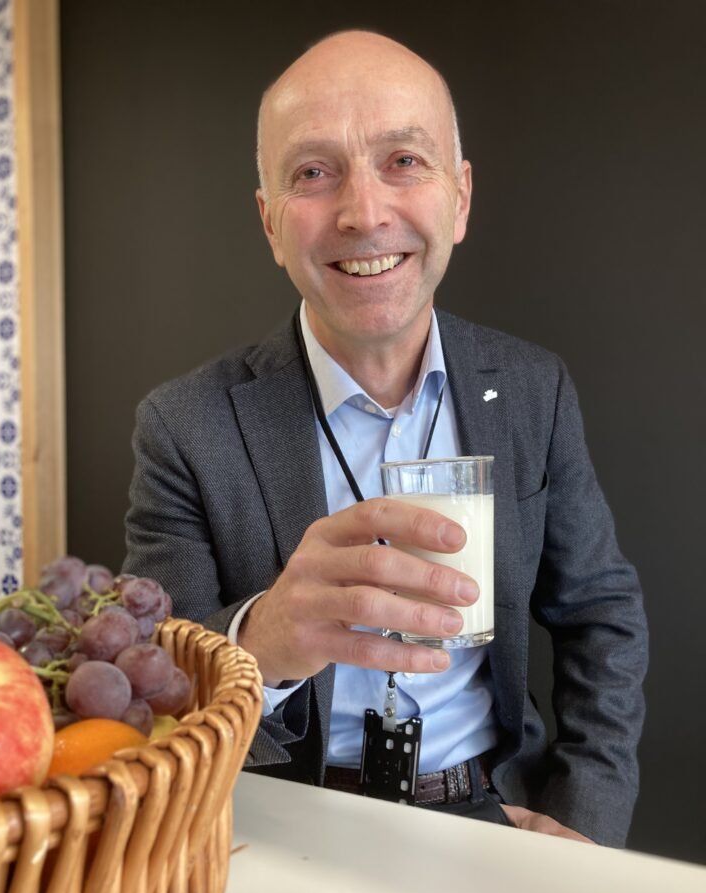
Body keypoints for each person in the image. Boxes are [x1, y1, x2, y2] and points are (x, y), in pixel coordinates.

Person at [123, 30, 648, 846]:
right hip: (277, 829)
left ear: (460, 198)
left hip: (494, 817)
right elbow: (152, 681)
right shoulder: (184, 425)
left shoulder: (533, 389)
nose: (364, 213)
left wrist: (586, 823)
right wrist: (259, 642)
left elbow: (601, 616)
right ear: (270, 225)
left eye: (403, 161)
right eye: (313, 172)